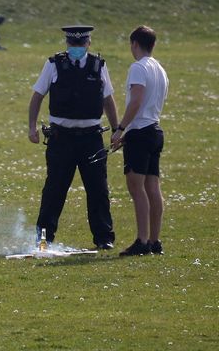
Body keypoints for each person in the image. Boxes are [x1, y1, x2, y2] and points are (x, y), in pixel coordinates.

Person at [28, 25, 119, 249]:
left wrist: (118, 128)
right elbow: (37, 96)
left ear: (88, 44)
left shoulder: (99, 66)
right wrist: (32, 127)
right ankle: (44, 239)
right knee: (54, 191)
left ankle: (104, 238)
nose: (77, 48)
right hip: (62, 138)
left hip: (91, 138)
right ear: (67, 44)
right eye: (73, 44)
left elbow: (108, 99)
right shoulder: (53, 64)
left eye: (81, 44)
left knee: (98, 190)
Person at [112, 26, 169, 256]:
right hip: (154, 131)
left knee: (136, 188)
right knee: (153, 187)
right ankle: (155, 240)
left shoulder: (138, 68)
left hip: (140, 133)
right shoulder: (161, 69)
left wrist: (121, 128)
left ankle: (142, 241)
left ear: (135, 43)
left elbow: (135, 101)